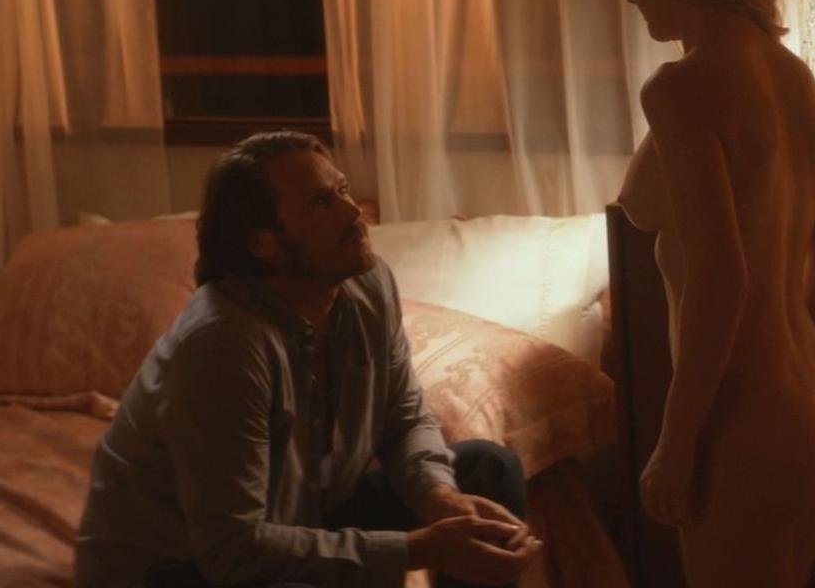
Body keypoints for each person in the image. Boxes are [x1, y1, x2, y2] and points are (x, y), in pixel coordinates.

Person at [74, 131, 543, 588]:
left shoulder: (366, 285)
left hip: (302, 513)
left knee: (486, 470)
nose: (353, 211)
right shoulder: (224, 345)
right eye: (321, 203)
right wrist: (418, 548)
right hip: (178, 567)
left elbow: (402, 418)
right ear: (263, 244)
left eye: (342, 189)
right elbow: (231, 549)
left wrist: (437, 498)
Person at [611, 0, 815, 586]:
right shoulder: (793, 74)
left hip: (745, 427)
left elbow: (721, 279)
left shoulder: (680, 89)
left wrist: (676, 442)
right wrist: (789, 373)